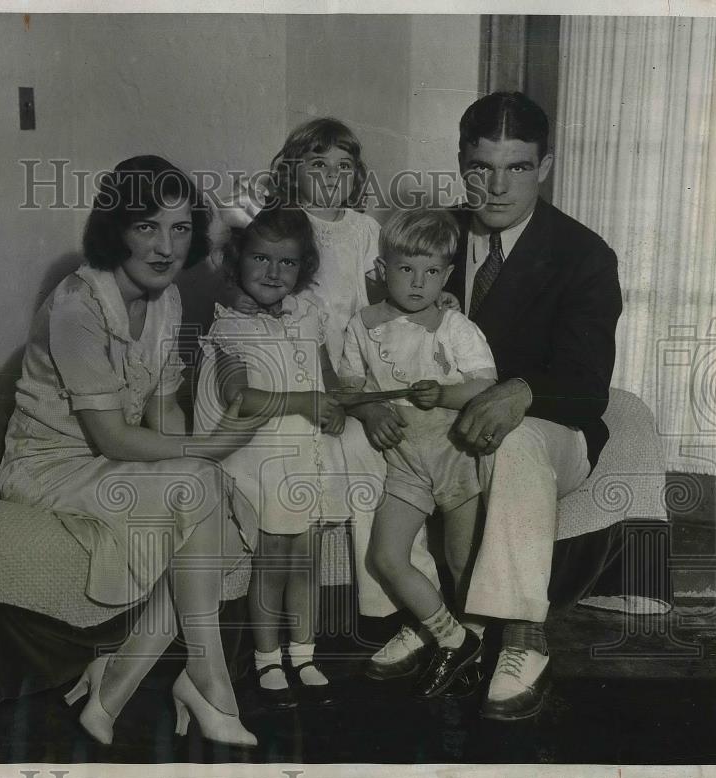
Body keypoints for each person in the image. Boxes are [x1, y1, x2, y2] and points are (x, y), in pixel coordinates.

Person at [359, 92, 622, 720]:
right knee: (368, 435)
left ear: (546, 166)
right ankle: (442, 621)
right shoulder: (432, 237)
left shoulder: (585, 255)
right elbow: (382, 333)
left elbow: (589, 383)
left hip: (554, 433)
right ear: (460, 162)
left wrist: (523, 389)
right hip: (441, 425)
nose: (498, 187)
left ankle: (522, 634)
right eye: (482, 168)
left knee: (521, 438)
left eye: (519, 167)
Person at [0, 155, 270, 748]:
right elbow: (112, 437)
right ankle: (206, 679)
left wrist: (192, 458)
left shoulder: (166, 300)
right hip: (50, 467)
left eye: (178, 228)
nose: (165, 246)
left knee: (208, 493)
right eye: (147, 226)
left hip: (106, 462)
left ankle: (120, 681)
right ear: (115, 229)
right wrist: (206, 449)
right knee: (201, 485)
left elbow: (163, 409)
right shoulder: (76, 305)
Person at [227, 116, 444, 623]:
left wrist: (431, 302)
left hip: (358, 360)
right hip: (304, 365)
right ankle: (393, 598)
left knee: (387, 448)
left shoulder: (366, 228)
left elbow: (383, 294)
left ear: (357, 175)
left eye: (343, 166)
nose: (330, 176)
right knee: (358, 444)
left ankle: (392, 597)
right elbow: (243, 263)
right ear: (292, 170)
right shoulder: (282, 222)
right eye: (317, 164)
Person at [195, 205, 351, 710]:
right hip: (259, 460)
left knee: (306, 561)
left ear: (302, 269)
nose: (272, 272)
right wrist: (305, 402)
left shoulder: (307, 315)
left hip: (305, 456)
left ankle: (304, 653)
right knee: (273, 562)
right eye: (260, 258)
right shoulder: (229, 329)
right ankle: (266, 658)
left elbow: (326, 379)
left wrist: (336, 410)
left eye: (287, 263)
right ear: (238, 259)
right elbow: (243, 398)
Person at [340, 209, 497, 697]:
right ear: (383, 269)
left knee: (460, 559)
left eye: (432, 272)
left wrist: (446, 395)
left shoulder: (454, 325)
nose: (418, 282)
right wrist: (369, 409)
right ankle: (452, 639)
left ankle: (476, 646)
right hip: (405, 462)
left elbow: (486, 382)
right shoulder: (362, 324)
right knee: (386, 556)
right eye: (406, 269)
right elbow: (349, 385)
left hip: (453, 454)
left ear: (447, 276)